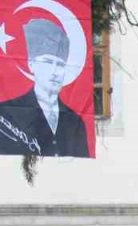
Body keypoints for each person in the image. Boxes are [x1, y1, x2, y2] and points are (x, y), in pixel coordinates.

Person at [0, 18, 90, 158]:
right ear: (31, 64)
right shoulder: (6, 114)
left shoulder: (75, 122)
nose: (54, 71)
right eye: (47, 62)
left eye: (60, 64)